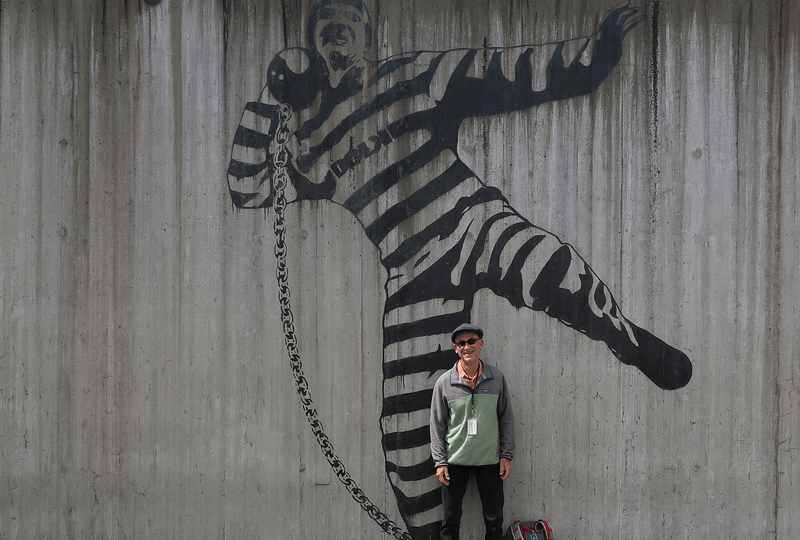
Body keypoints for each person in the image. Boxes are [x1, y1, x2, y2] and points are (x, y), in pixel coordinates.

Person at [227, 1, 691, 538]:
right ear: (314, 46)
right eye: (326, 30)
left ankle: (629, 340)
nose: (338, 37)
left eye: (350, 27)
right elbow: (249, 186)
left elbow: (510, 72)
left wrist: (596, 53)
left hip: (470, 220)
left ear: (366, 39)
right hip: (410, 272)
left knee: (546, 266)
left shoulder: (408, 75)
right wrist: (273, 92)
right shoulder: (309, 146)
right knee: (402, 431)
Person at [430, 323, 515, 540]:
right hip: (455, 461)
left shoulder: (496, 378)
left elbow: (506, 418)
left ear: (481, 344)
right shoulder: (444, 383)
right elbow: (437, 425)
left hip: (489, 461)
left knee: (494, 522)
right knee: (450, 524)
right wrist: (440, 462)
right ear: (455, 348)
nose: (467, 346)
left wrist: (506, 455)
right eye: (461, 343)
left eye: (471, 341)